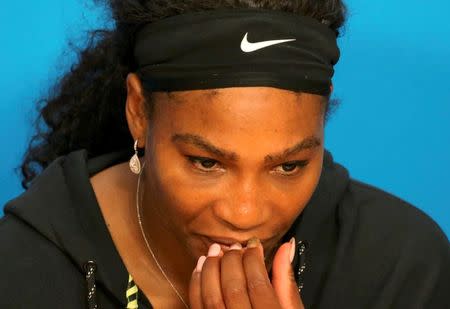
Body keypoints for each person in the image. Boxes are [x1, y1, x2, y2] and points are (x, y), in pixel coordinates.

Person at [0, 0, 449, 308]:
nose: (245, 213)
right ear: (139, 111)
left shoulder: (400, 267)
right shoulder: (20, 273)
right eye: (207, 162)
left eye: (289, 166)